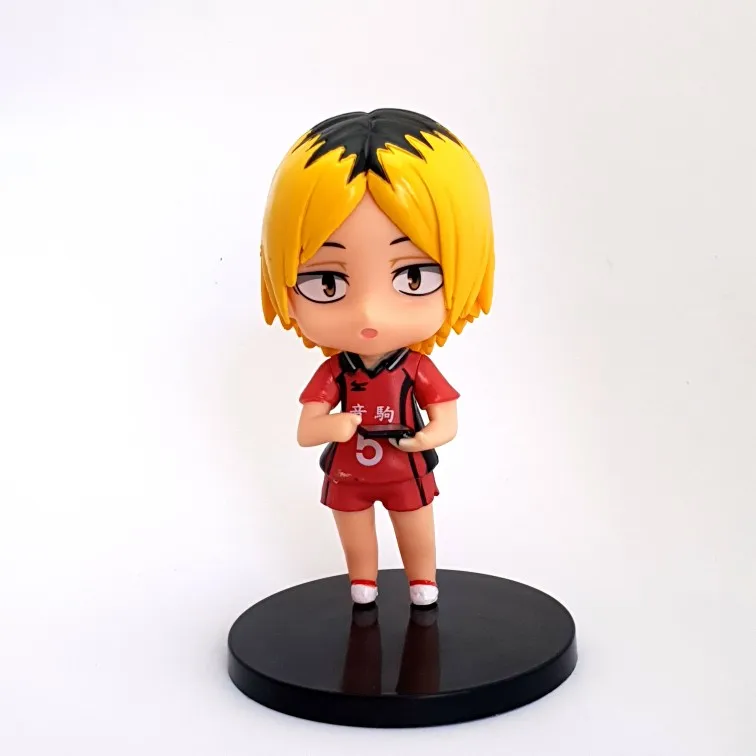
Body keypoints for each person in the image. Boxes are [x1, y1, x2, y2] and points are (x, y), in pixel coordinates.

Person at [260, 109, 494, 606]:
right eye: (328, 282)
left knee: (415, 523)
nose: (368, 311)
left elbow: (447, 417)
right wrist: (335, 426)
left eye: (413, 277)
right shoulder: (335, 373)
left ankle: (422, 580)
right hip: (348, 473)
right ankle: (362, 582)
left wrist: (429, 436)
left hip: (406, 467)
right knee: (354, 531)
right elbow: (307, 430)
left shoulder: (415, 369)